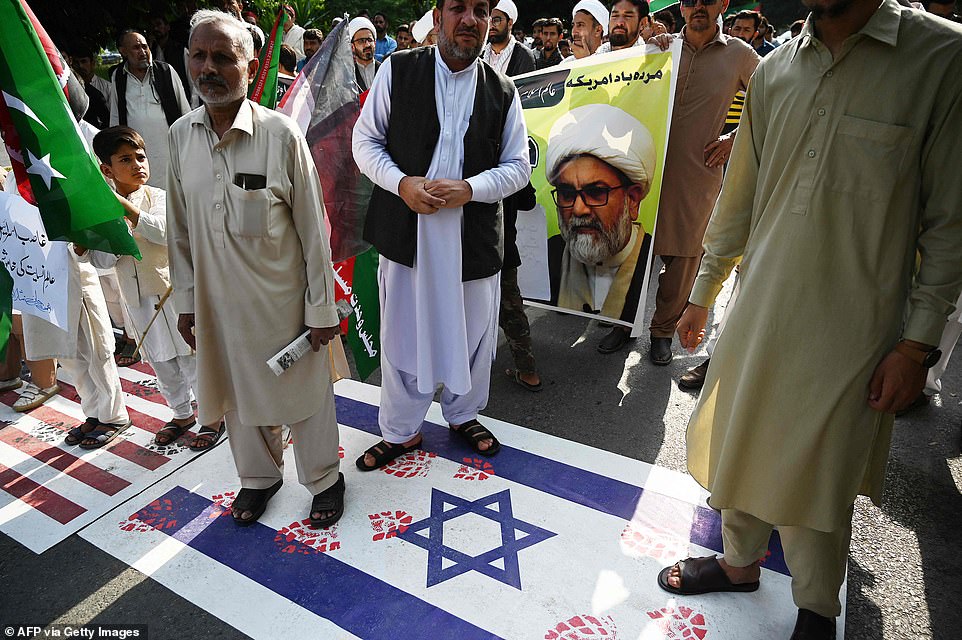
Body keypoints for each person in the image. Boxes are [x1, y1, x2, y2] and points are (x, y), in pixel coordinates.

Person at [662, 2, 962, 639]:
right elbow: (739, 198)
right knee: (741, 439)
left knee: (817, 471)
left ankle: (818, 607)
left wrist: (918, 345)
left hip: (854, 328)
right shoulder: (773, 71)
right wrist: (702, 293)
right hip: (760, 308)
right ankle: (740, 564)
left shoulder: (941, 57)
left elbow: (950, 220)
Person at [168, 9, 345, 528]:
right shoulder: (181, 136)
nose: (209, 68)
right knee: (236, 394)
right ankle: (258, 480)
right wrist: (185, 301)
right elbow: (179, 231)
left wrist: (321, 307)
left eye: (223, 57)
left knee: (307, 396)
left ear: (248, 66)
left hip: (285, 307)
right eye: (199, 56)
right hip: (217, 305)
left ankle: (324, 479)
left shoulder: (281, 135)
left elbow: (315, 231)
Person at [352, 0, 531, 471]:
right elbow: (364, 142)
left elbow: (518, 167)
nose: (469, 19)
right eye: (458, 8)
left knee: (473, 336)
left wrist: (471, 189)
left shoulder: (503, 90)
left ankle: (463, 415)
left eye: (480, 10)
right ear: (438, 16)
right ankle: (400, 430)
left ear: (490, 20)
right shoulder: (398, 70)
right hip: (408, 232)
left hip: (472, 236)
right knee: (403, 337)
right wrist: (402, 183)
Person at [609, 0, 757, 360]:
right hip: (646, 169)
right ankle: (622, 325)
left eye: (707, 0)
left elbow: (773, 101)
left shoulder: (741, 55)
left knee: (685, 257)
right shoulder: (663, 47)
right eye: (690, 1)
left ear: (723, 3)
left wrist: (733, 138)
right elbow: (624, 95)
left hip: (697, 174)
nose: (698, 7)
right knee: (632, 251)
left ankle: (662, 332)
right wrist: (648, 52)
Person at [82, 126, 208, 448]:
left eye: (141, 156)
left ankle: (211, 415)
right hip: (136, 300)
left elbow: (166, 233)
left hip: (172, 294)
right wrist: (90, 243)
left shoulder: (160, 197)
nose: (138, 164)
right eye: (126, 159)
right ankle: (181, 413)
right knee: (160, 360)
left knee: (189, 354)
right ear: (107, 170)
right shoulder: (104, 212)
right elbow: (102, 263)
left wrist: (124, 209)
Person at [545, 104, 655, 324]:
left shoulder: (652, 259)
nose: (578, 209)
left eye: (596, 192)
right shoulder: (548, 254)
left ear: (632, 199)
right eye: (567, 193)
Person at [108, 30, 190, 188]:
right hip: (137, 156)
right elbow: (115, 117)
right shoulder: (118, 76)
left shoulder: (166, 72)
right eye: (136, 48)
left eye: (145, 47)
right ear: (123, 51)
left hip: (169, 152)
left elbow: (185, 113)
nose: (142, 52)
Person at [481, 0, 536, 76]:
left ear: (510, 23)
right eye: (488, 21)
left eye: (496, 20)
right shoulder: (480, 54)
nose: (491, 26)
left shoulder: (524, 56)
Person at [150, 13, 191, 98]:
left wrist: (193, 105)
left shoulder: (181, 51)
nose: (155, 28)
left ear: (167, 27)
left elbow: (192, 82)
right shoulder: (151, 52)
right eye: (153, 26)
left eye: (158, 24)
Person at [350, 17, 380, 92]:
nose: (367, 45)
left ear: (375, 43)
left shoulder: (384, 70)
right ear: (352, 47)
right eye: (361, 41)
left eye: (369, 40)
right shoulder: (348, 76)